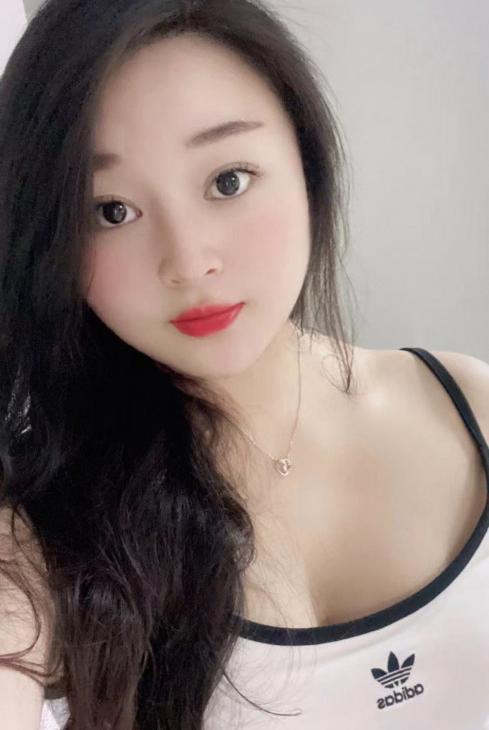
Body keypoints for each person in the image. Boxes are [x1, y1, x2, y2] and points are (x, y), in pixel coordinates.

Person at [0, 1, 488, 729]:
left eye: (227, 180)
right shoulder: (40, 529)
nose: (188, 261)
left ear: (305, 164)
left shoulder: (468, 406)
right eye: (110, 211)